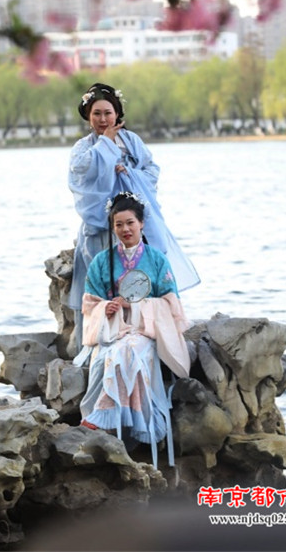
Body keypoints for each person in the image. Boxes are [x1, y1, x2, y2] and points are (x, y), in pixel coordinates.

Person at [68, 82, 200, 349]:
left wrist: (128, 173)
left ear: (117, 113)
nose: (103, 119)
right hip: (101, 224)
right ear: (88, 117)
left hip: (133, 220)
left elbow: (151, 171)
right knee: (102, 276)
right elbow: (80, 175)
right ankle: (97, 342)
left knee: (146, 271)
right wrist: (105, 146)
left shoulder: (132, 141)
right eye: (96, 113)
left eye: (108, 113)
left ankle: (150, 333)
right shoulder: (83, 147)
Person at [73, 192, 191, 468]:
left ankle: (104, 411)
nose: (125, 229)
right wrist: (107, 308)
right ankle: (127, 416)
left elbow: (171, 304)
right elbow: (89, 304)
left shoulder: (157, 260)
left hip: (145, 330)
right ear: (112, 227)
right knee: (115, 352)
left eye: (130, 223)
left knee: (129, 350)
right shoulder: (101, 261)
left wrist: (136, 306)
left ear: (141, 224)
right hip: (113, 329)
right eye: (119, 224)